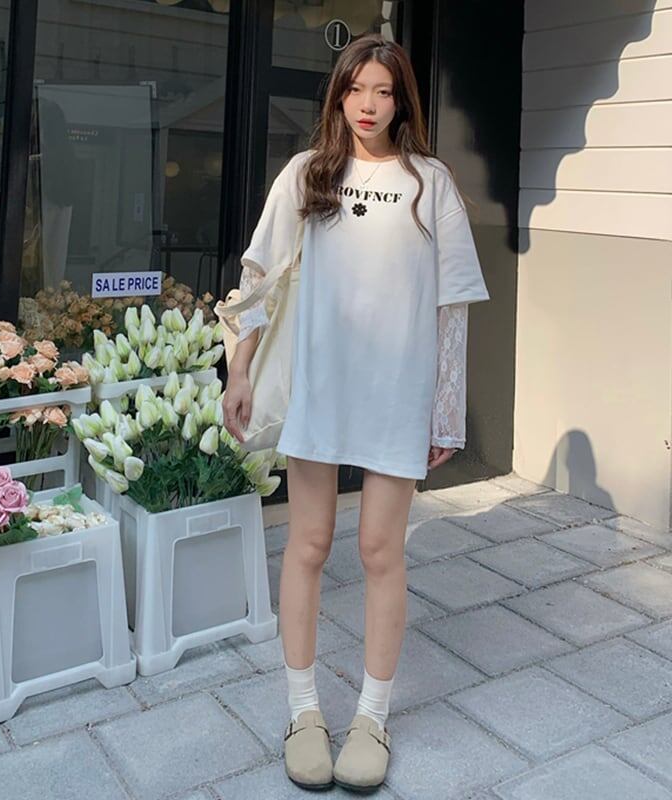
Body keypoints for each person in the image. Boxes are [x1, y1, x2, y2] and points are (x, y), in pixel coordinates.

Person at [222, 33, 490, 793]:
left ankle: (372, 717)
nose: (368, 105)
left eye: (384, 91)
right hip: (320, 387)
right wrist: (238, 368)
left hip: (397, 393)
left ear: (402, 101)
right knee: (307, 544)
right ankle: (303, 712)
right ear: (338, 96)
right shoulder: (307, 174)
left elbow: (452, 307)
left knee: (380, 551)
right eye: (356, 89)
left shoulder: (430, 183)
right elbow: (260, 278)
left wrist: (446, 411)